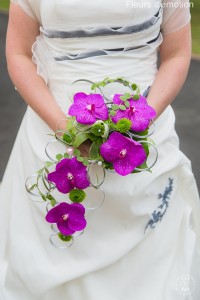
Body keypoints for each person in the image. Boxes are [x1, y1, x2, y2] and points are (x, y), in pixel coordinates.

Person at [0, 0, 200, 299]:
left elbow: (178, 54)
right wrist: (65, 129)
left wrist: (141, 121)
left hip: (144, 134)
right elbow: (18, 53)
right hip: (53, 139)